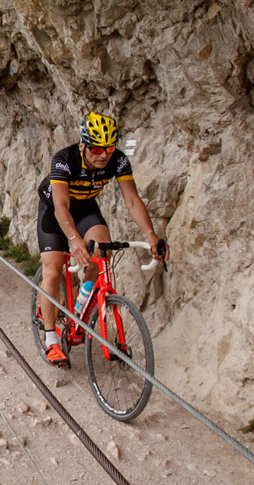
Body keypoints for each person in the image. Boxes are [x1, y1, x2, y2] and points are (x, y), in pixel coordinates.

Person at [36, 112, 167, 368]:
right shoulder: (64, 160)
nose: (103, 155)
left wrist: (151, 235)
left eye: (108, 148)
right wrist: (73, 239)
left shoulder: (117, 161)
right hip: (55, 210)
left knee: (101, 255)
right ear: (83, 144)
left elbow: (132, 200)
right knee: (52, 271)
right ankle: (51, 338)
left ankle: (80, 310)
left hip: (85, 208)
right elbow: (62, 205)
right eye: (96, 148)